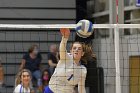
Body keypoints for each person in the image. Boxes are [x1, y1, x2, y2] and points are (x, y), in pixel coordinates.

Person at [44, 28, 87, 93]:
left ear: (82, 53)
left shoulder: (82, 70)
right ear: (71, 51)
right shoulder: (66, 58)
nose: (76, 50)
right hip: (51, 91)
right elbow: (62, 49)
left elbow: (81, 89)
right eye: (74, 48)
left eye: (79, 49)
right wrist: (65, 38)